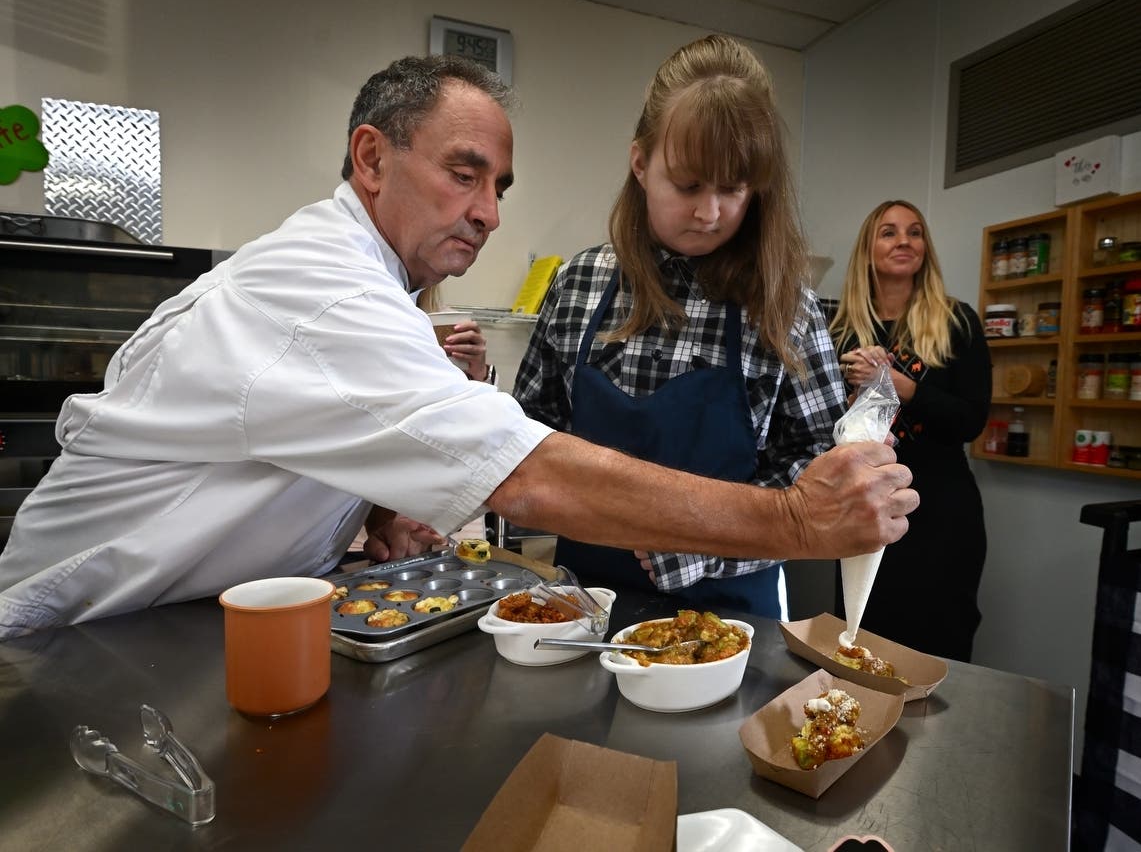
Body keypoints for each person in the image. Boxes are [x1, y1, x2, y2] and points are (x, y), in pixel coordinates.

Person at [0, 54, 917, 639]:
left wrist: (365, 510)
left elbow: (291, 439)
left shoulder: (377, 296)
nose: (487, 211)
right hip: (73, 638)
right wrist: (794, 522)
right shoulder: (321, 290)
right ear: (370, 159)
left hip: (164, 628)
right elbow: (524, 465)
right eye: (462, 174)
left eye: (500, 186)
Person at [512, 35, 847, 619]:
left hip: (733, 622)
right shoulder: (582, 283)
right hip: (580, 609)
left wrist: (703, 547)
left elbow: (816, 473)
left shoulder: (786, 307)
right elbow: (528, 436)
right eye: (689, 185)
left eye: (733, 188)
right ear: (640, 164)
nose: (710, 212)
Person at [829, 200, 991, 661]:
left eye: (914, 232)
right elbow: (824, 431)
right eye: (889, 232)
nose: (904, 241)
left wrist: (902, 386)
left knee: (939, 637)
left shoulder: (956, 321)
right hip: (862, 508)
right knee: (859, 638)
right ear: (867, 250)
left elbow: (971, 420)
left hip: (941, 513)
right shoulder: (840, 332)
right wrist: (853, 387)